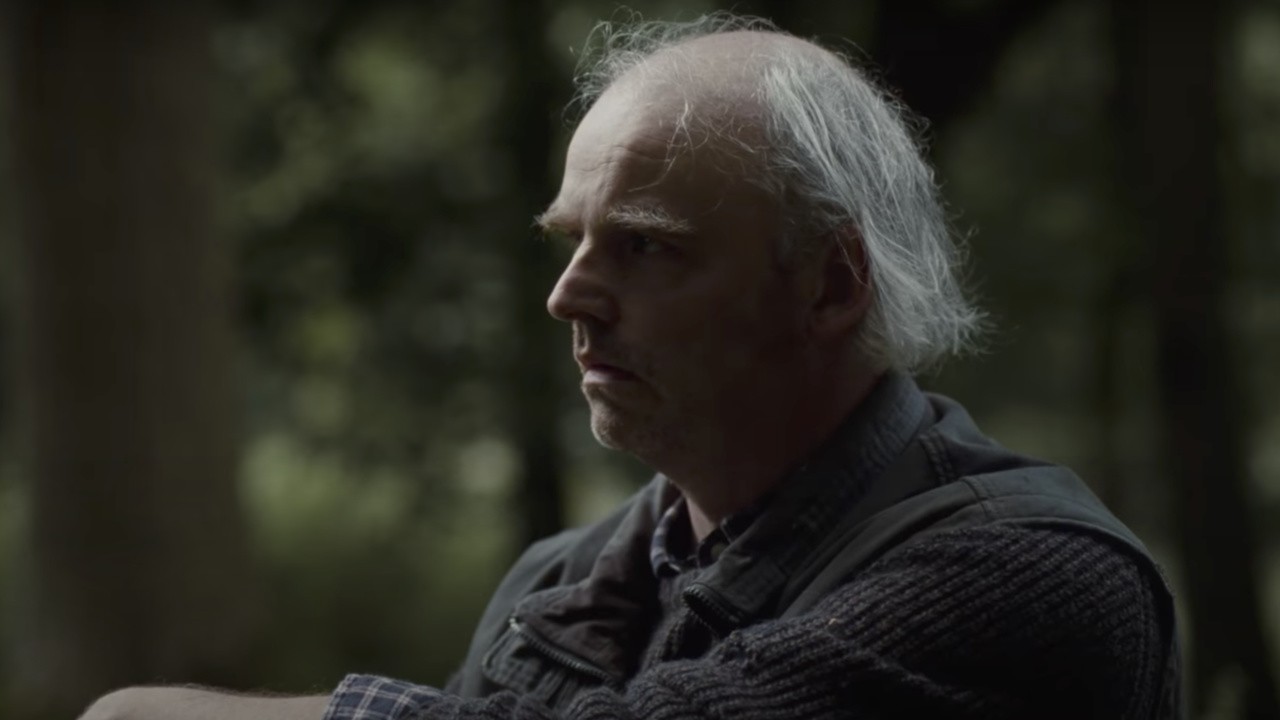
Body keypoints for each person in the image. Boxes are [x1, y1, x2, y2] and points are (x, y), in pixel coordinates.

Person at [81, 13, 1181, 720]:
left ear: (830, 286)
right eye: (573, 242)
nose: (569, 296)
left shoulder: (1038, 578)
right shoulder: (556, 586)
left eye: (646, 248)